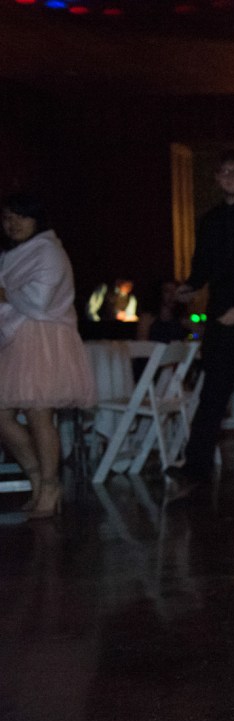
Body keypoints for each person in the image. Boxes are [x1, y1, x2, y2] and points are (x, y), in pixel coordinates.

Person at [171, 150, 234, 483]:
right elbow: (202, 263)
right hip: (219, 313)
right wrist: (190, 286)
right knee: (213, 391)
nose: (229, 177)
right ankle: (196, 465)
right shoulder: (210, 220)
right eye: (224, 172)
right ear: (217, 178)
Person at [0, 193, 96, 518]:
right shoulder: (11, 254)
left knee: (39, 414)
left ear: (36, 220)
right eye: (8, 217)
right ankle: (38, 477)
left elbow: (40, 301)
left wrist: (5, 294)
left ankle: (51, 485)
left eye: (21, 216)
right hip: (16, 337)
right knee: (3, 416)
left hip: (43, 338)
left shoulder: (48, 251)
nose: (13, 223)